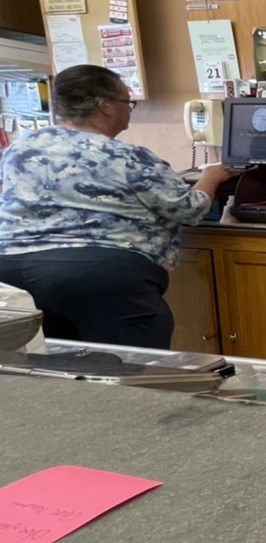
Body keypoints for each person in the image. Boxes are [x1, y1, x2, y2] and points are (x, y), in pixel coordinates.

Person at [0, 64, 236, 349]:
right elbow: (189, 208)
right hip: (97, 275)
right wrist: (211, 177)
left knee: (54, 368)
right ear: (106, 106)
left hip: (14, 272)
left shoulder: (19, 148)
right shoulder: (125, 156)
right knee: (133, 369)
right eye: (128, 102)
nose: (129, 110)